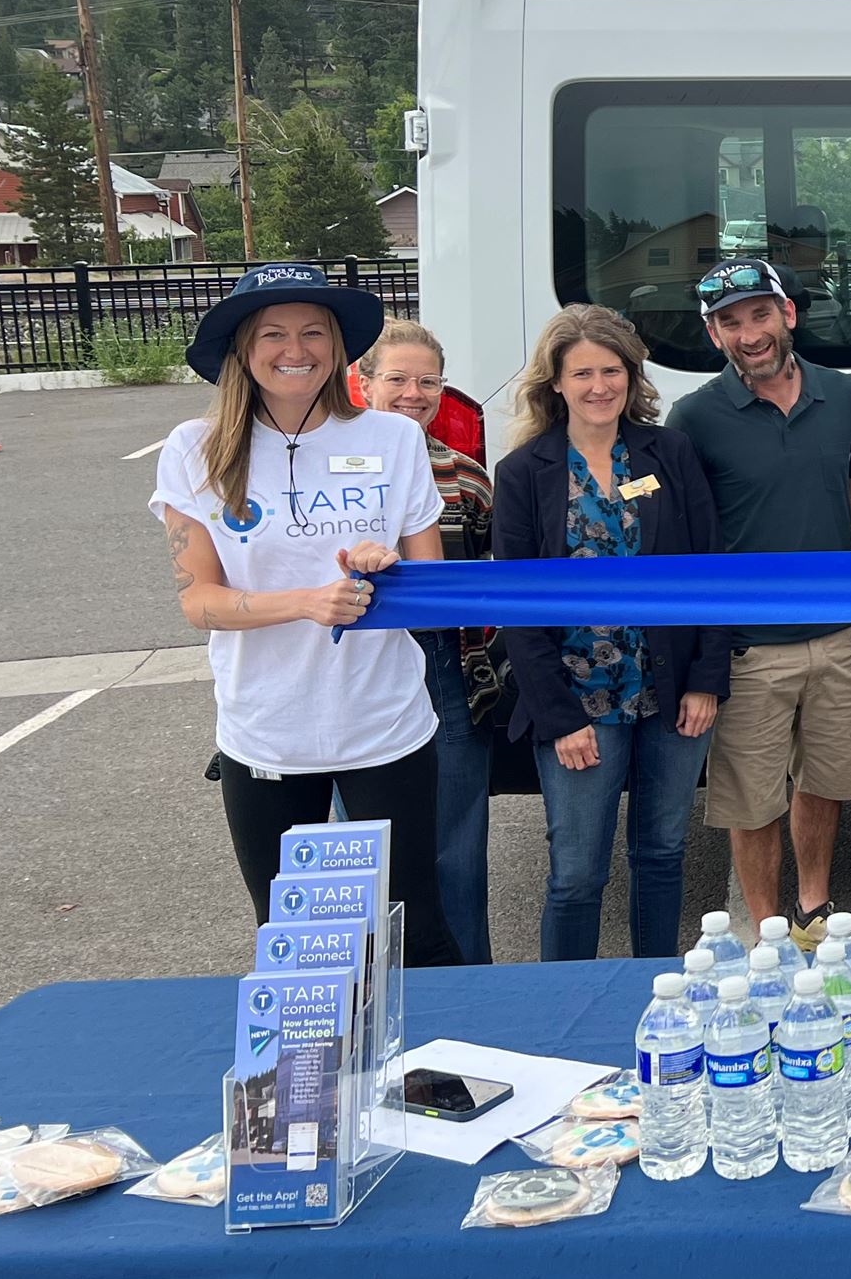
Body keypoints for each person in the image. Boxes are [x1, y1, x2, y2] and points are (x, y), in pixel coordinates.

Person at [151, 264, 462, 965]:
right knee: (294, 944)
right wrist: (307, 601)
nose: (297, 348)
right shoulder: (191, 450)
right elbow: (199, 601)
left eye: (314, 332)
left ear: (338, 347)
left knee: (415, 930)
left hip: (385, 725)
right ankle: (308, 1079)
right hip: (266, 734)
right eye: (275, 333)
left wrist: (390, 569)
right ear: (241, 348)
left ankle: (431, 1075)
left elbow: (432, 588)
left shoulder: (394, 440)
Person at [667, 259, 851, 949]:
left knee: (827, 781)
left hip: (835, 632)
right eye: (730, 323)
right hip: (748, 644)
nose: (750, 334)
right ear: (714, 335)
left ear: (788, 315)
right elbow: (685, 534)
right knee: (753, 798)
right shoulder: (695, 417)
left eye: (759, 315)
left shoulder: (844, 395)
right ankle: (767, 936)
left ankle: (814, 912)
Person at [494, 307, 729, 961]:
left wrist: (708, 680)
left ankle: (655, 990)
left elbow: (709, 570)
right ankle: (561, 1016)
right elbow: (518, 608)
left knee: (661, 855)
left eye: (612, 370)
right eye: (583, 373)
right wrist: (557, 717)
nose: (600, 385)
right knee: (576, 875)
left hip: (673, 690)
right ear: (557, 384)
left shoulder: (666, 454)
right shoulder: (524, 474)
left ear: (632, 376)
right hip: (578, 701)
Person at [358, 319, 501, 964]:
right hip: (355, 671)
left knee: (457, 842)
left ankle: (472, 981)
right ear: (362, 383)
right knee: (367, 847)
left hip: (448, 670)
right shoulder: (331, 471)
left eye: (428, 381)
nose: (413, 392)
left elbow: (496, 581)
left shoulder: (466, 479)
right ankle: (375, 992)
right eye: (397, 378)